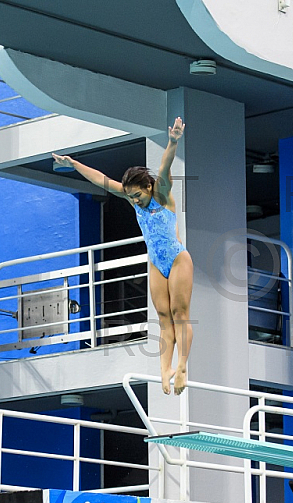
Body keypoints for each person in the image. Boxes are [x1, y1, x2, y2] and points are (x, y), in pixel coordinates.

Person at [52, 117, 193, 394]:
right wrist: (74, 164)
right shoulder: (132, 198)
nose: (135, 200)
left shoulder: (162, 194)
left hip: (177, 258)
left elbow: (164, 167)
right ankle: (165, 370)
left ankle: (183, 365)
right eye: (131, 196)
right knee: (163, 317)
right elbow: (103, 181)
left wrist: (173, 141)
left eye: (138, 195)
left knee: (180, 314)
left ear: (149, 188)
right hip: (155, 261)